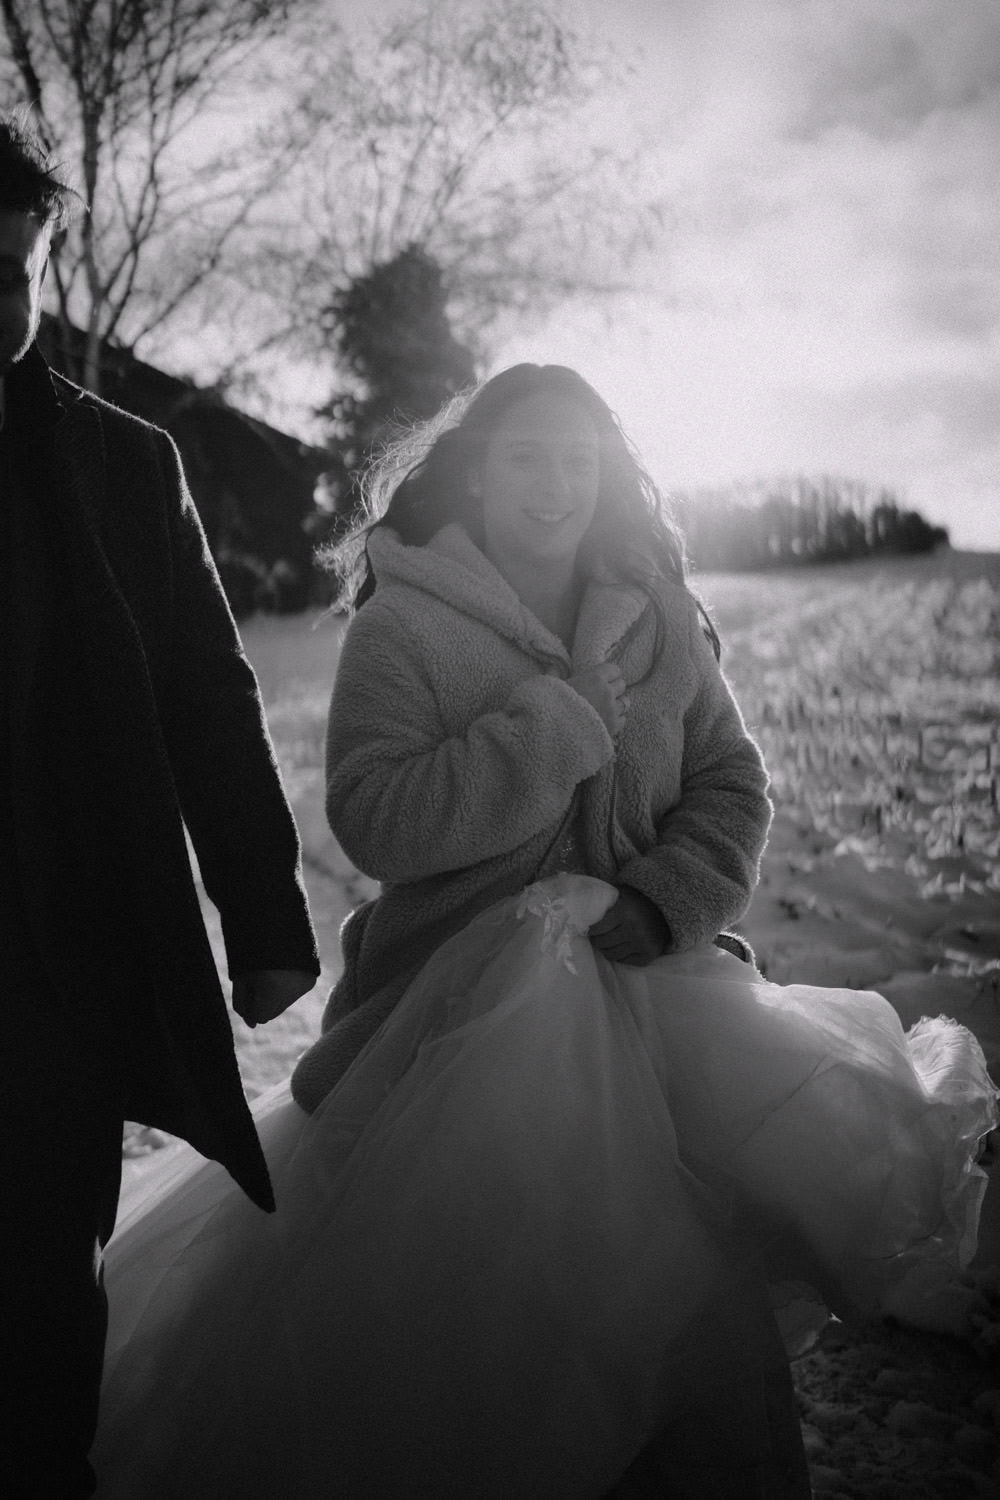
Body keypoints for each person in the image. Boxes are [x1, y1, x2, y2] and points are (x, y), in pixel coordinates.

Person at [91, 364, 996, 1499]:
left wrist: (654, 901)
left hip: (655, 983)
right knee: (487, 1329)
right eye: (524, 456)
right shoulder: (407, 624)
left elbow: (730, 788)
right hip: (458, 1018)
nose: (553, 483)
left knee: (679, 1307)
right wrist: (554, 724)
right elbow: (379, 819)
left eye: (578, 459)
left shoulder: (659, 616)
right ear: (474, 469)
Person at [0, 113, 319, 1497]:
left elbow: (207, 698)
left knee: (37, 1293)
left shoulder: (124, 466)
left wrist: (263, 915)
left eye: (12, 271)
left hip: (52, 961)